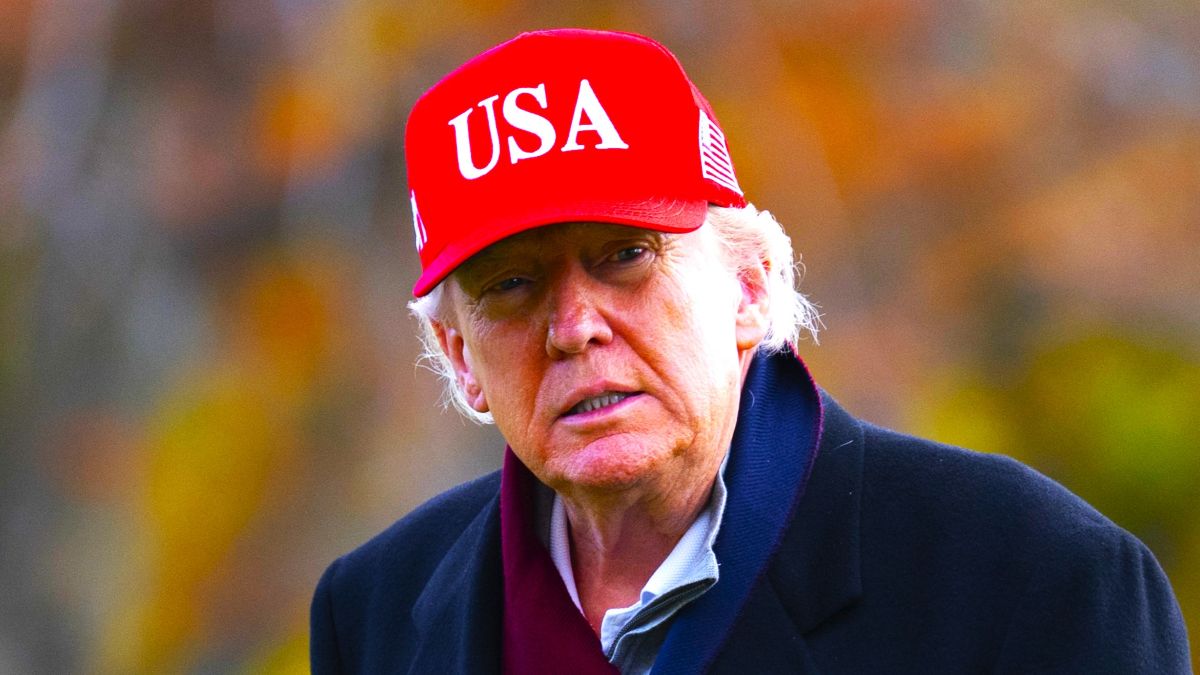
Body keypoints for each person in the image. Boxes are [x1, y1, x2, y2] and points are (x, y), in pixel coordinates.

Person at [310, 28, 1190, 674]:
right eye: (512, 284)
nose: (574, 325)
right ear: (458, 355)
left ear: (752, 284)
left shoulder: (1030, 576)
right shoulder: (376, 612)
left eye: (626, 255)